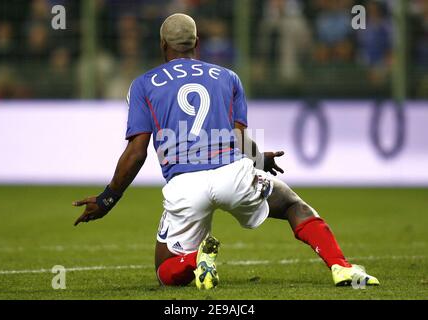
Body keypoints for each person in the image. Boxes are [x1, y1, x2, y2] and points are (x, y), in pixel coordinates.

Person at [73, 13, 379, 290]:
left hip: (184, 185)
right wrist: (260, 159)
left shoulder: (143, 85)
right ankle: (341, 266)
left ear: (163, 43)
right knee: (291, 205)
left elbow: (136, 152)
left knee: (165, 270)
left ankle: (196, 261)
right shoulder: (227, 77)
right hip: (232, 174)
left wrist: (108, 197)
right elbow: (239, 136)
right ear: (197, 43)